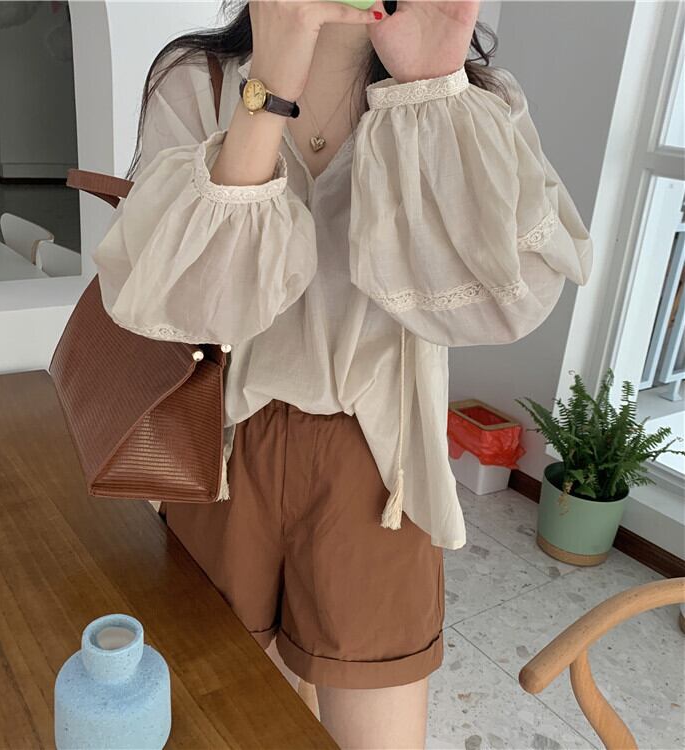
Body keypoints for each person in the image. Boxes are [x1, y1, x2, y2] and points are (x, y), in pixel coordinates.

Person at [92, 1, 593, 747]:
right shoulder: (198, 80)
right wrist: (268, 89)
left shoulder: (472, 98)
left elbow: (506, 303)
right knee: (234, 724)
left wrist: (429, 89)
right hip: (224, 449)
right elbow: (185, 308)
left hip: (380, 465)